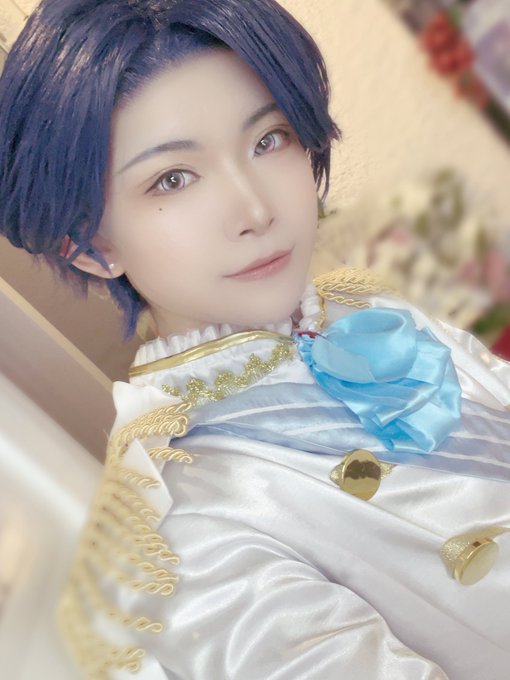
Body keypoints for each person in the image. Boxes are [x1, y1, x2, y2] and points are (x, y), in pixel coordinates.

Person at [1, 1, 509, 678]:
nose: (256, 209)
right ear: (90, 247)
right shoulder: (181, 526)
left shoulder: (367, 307)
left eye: (269, 139)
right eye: (173, 178)